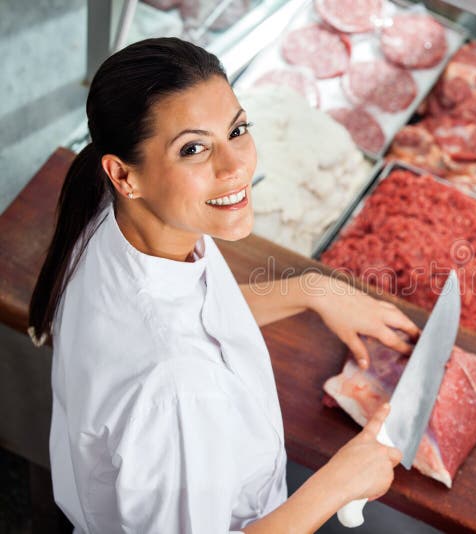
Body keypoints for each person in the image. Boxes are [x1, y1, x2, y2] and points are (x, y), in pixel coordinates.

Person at [27, 37, 421, 533]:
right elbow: (173, 354)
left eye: (237, 130)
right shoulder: (177, 390)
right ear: (124, 174)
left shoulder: (117, 216)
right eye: (193, 148)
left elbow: (187, 315)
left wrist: (312, 290)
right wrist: (340, 480)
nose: (234, 166)